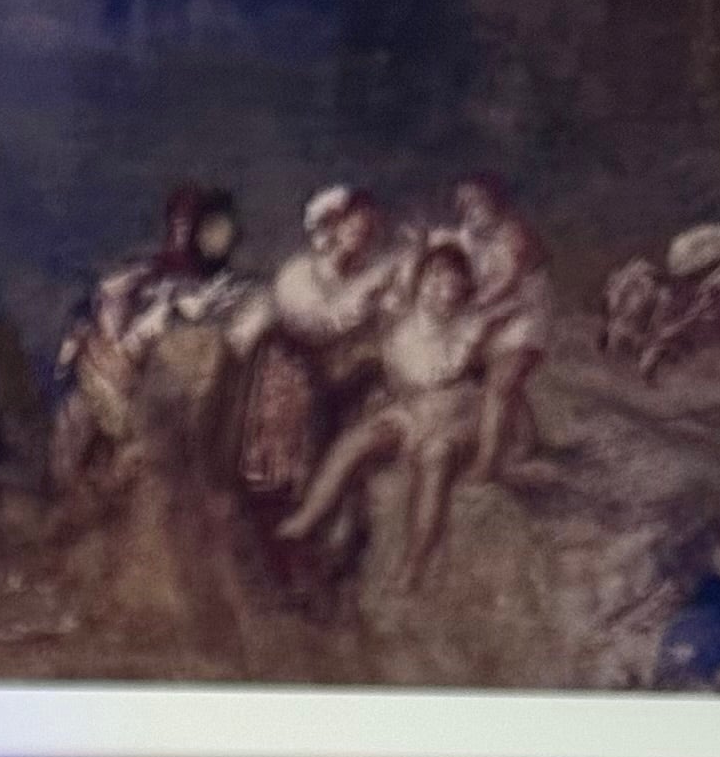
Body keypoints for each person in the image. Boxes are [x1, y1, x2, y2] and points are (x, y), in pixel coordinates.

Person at [279, 234, 491, 585]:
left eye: (449, 282)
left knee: (435, 460)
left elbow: (445, 372)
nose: (438, 288)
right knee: (357, 441)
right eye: (432, 278)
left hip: (453, 416)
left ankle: (414, 564)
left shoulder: (471, 326)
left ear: (464, 288)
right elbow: (390, 354)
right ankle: (307, 518)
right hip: (410, 411)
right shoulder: (403, 321)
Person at [225, 185, 409, 556]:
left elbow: (385, 325)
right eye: (353, 229)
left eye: (368, 233)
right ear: (335, 228)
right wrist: (362, 305)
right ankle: (273, 522)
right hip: (287, 366)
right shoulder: (301, 271)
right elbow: (312, 324)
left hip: (335, 378)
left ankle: (328, 528)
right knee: (288, 421)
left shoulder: (368, 279)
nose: (359, 239)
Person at [51, 184, 242, 491]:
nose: (183, 232)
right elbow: (106, 302)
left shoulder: (221, 290)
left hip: (173, 393)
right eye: (179, 223)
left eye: (191, 224)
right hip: (118, 379)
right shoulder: (145, 274)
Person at [436, 173, 550, 477]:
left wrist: (470, 305)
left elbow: (510, 280)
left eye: (476, 201)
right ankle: (529, 440)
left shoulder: (514, 231)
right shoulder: (467, 236)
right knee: (489, 377)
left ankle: (487, 465)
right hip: (492, 318)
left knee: (500, 385)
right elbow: (444, 255)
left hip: (524, 315)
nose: (469, 208)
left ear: (494, 200)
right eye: (463, 203)